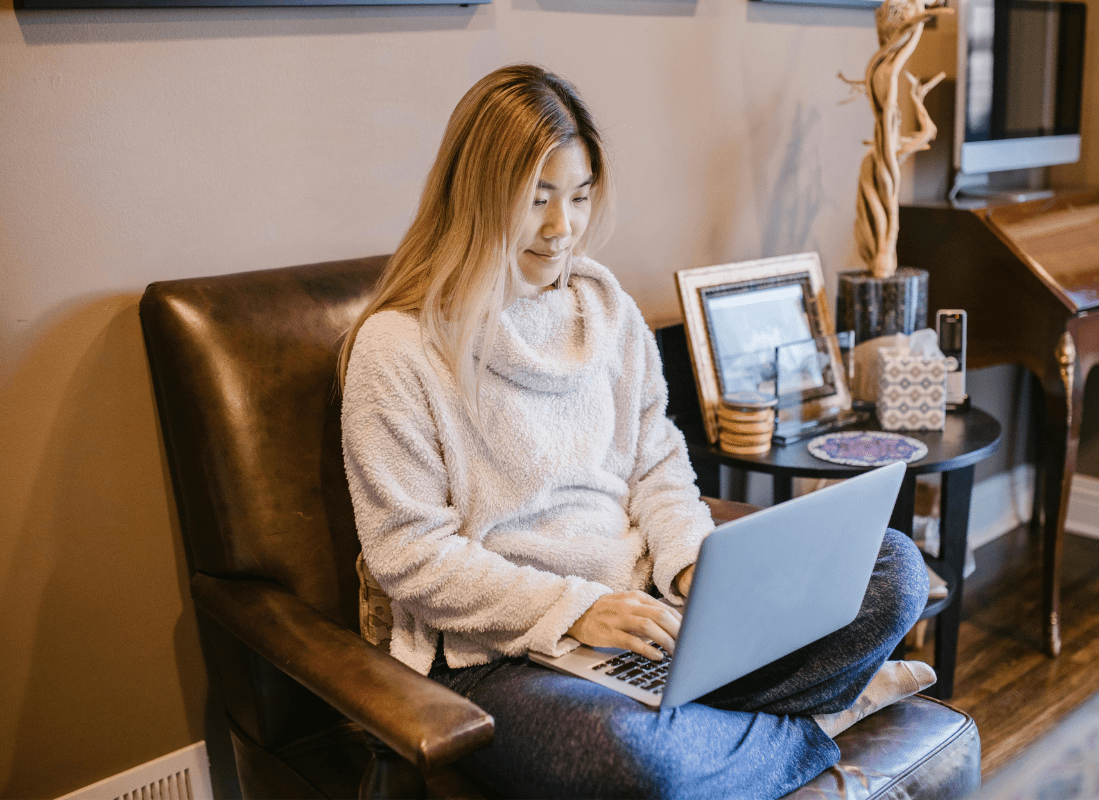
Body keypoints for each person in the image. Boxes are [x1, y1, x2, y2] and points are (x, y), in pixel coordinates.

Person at [339, 63, 931, 800]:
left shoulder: (606, 311)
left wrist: (689, 566)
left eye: (580, 197)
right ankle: (821, 716)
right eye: (537, 199)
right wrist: (580, 610)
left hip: (651, 610)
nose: (562, 229)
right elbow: (410, 556)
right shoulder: (397, 349)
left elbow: (658, 466)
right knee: (636, 764)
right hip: (500, 652)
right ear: (478, 195)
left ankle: (713, 718)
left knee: (893, 568)